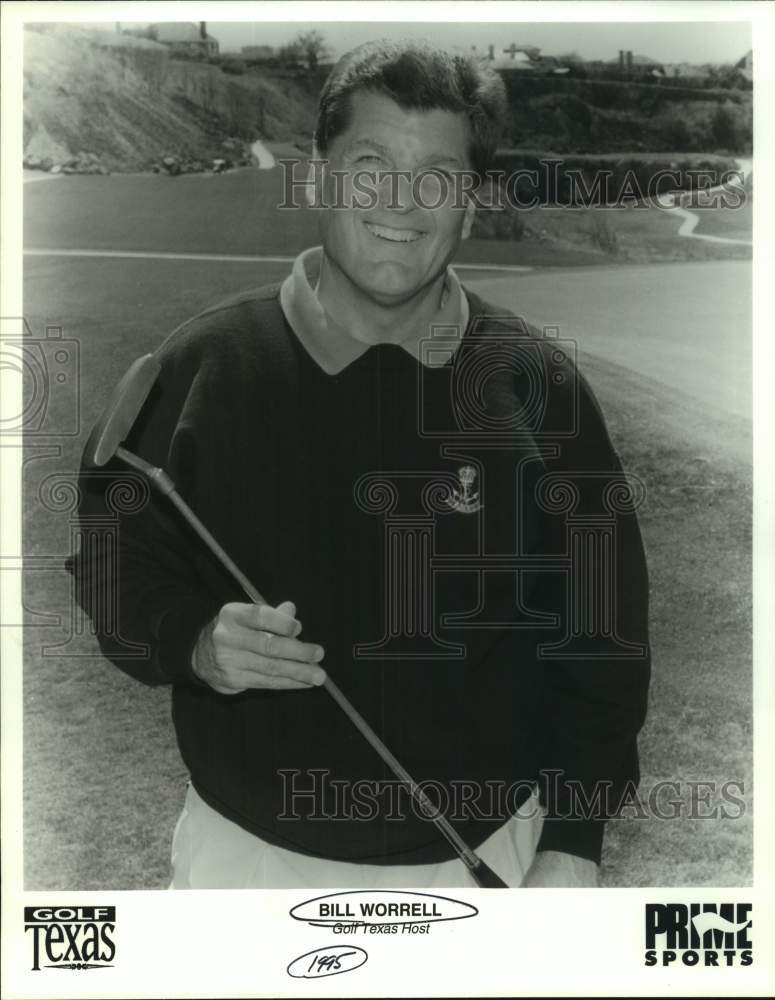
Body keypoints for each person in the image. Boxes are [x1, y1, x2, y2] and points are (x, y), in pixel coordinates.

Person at [67, 40, 651, 889]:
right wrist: (191, 642)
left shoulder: (536, 386)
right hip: (246, 858)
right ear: (317, 175)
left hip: (488, 858)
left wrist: (574, 837)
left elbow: (604, 629)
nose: (401, 204)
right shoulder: (202, 366)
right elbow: (112, 563)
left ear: (470, 203)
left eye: (437, 178)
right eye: (370, 164)